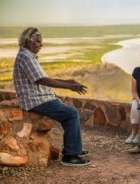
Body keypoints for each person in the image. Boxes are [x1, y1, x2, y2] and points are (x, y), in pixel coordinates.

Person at [13, 27, 90, 166]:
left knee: (70, 114)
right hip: (35, 100)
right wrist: (70, 87)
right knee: (71, 113)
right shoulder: (25, 57)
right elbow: (42, 80)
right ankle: (70, 156)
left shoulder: (28, 55)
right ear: (29, 42)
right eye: (38, 42)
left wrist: (67, 81)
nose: (41, 45)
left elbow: (42, 77)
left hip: (39, 98)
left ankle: (74, 148)